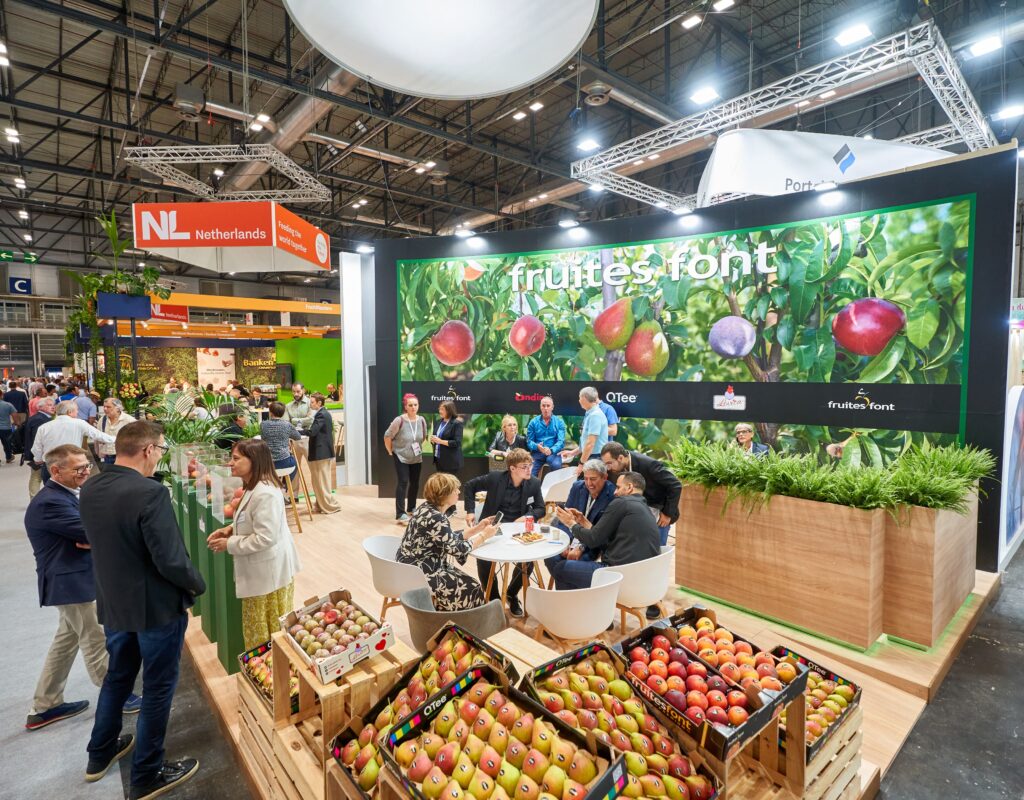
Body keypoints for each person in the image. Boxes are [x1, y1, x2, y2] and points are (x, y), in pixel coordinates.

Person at [81, 421, 206, 799]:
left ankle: (99, 752)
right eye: (162, 451)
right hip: (155, 608)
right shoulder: (149, 493)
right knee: (157, 688)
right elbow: (169, 559)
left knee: (119, 677)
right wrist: (196, 583)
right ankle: (147, 772)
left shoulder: (90, 487)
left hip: (115, 603)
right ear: (149, 450)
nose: (160, 458)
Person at [25, 445, 142, 731]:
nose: (86, 472)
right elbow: (92, 531)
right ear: (55, 471)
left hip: (74, 579)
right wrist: (99, 536)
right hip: (73, 582)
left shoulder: (63, 495)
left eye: (86, 465)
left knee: (66, 642)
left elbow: (92, 530)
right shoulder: (50, 502)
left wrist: (96, 536)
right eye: (78, 468)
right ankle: (117, 696)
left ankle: (46, 704)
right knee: (95, 639)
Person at [206, 439, 300, 649]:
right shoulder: (253, 486)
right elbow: (252, 520)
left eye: (236, 459)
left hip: (269, 573)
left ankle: (273, 675)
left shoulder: (265, 493)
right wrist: (230, 528)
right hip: (265, 572)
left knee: (266, 632)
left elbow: (265, 537)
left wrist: (229, 543)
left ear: (254, 461)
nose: (231, 463)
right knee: (260, 630)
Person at [396, 473, 498, 612]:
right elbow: (458, 549)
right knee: (472, 587)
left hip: (410, 565)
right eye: (455, 489)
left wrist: (477, 529)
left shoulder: (426, 508)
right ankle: (462, 624)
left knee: (471, 584)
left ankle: (450, 618)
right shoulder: (437, 518)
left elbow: (446, 538)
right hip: (421, 571)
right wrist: (484, 536)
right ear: (444, 494)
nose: (459, 492)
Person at [601, 442, 681, 618]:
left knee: (654, 556)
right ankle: (634, 592)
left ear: (620, 458)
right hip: (637, 512)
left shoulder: (649, 464)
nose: (608, 468)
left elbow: (675, 485)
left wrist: (667, 513)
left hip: (658, 512)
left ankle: (654, 601)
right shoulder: (617, 471)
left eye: (609, 463)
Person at [463, 448, 545, 617]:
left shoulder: (534, 483)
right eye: (524, 466)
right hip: (493, 527)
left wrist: (527, 517)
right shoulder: (495, 478)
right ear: (512, 468)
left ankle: (511, 594)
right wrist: (470, 511)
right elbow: (469, 486)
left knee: (529, 561)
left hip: (518, 529)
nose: (529, 469)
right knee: (484, 560)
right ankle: (493, 599)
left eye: (530, 465)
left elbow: (540, 508)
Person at [551, 471, 662, 590]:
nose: (615, 492)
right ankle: (579, 602)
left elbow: (593, 540)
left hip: (619, 575)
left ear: (629, 487)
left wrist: (570, 523)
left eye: (618, 487)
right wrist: (584, 522)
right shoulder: (644, 509)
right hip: (644, 580)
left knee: (561, 569)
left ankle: (568, 606)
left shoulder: (622, 502)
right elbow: (600, 535)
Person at [32, 401, 115, 479]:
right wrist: (118, 438)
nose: (77, 412)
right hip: (73, 465)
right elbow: (99, 436)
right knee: (73, 490)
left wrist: (38, 459)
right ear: (69, 412)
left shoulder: (43, 427)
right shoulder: (79, 423)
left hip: (50, 466)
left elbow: (37, 448)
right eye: (76, 410)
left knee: (52, 491)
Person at [383, 394, 428, 524]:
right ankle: (400, 513)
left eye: (415, 405)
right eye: (410, 405)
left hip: (416, 457)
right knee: (403, 482)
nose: (413, 407)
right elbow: (387, 436)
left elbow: (423, 437)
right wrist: (390, 451)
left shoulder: (422, 420)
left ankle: (412, 507)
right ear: (405, 407)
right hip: (401, 456)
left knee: (415, 483)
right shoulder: (399, 420)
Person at [307, 393, 340, 514]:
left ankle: (328, 506)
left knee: (321, 481)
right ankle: (321, 504)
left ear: (319, 403)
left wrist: (299, 431)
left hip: (321, 452)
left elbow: (313, 432)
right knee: (321, 480)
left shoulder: (321, 414)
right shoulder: (324, 413)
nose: (310, 404)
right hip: (323, 452)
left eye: (312, 402)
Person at [526, 396, 566, 477]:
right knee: (529, 473)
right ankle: (534, 489)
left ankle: (553, 489)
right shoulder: (533, 422)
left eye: (548, 406)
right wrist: (537, 446)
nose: (546, 408)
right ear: (540, 407)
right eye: (543, 406)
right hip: (537, 453)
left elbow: (561, 442)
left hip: (553, 453)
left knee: (556, 465)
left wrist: (551, 450)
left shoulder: (559, 422)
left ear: (552, 407)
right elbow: (529, 441)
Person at [260, 401, 301, 480]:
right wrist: (287, 438)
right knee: (295, 464)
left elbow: (263, 438)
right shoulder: (287, 425)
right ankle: (284, 486)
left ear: (270, 412)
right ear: (282, 413)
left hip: (268, 462)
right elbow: (298, 437)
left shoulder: (263, 424)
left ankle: (275, 485)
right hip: (284, 462)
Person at [23, 397, 55, 497]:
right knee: (37, 477)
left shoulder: (39, 418)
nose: (53, 407)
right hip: (40, 455)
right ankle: (34, 499)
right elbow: (37, 440)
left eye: (53, 405)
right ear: (40, 407)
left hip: (39, 454)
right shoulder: (40, 420)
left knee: (36, 477)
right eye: (49, 405)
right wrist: (39, 456)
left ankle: (34, 499)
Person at [573, 386, 609, 473]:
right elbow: (586, 441)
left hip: (595, 457)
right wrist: (573, 452)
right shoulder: (590, 413)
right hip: (591, 456)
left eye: (579, 398)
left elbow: (590, 443)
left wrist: (581, 464)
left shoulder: (595, 415)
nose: (579, 401)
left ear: (584, 398)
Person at [430, 400, 464, 476]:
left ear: (449, 410)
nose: (440, 411)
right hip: (438, 460)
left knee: (449, 485)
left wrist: (440, 441)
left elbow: (457, 443)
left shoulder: (457, 424)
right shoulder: (438, 422)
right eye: (439, 409)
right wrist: (433, 440)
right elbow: (436, 438)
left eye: (442, 409)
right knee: (441, 484)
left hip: (451, 462)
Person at [96, 398, 133, 465]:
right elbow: (97, 437)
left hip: (124, 457)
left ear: (118, 408)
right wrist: (99, 452)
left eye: (108, 407)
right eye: (104, 406)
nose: (105, 409)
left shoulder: (129, 421)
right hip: (107, 457)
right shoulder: (102, 420)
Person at [0, 391, 16, 463]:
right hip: (6, 428)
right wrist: (17, 423)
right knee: (7, 443)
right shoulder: (8, 405)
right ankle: (8, 457)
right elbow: (14, 415)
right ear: (1, 395)